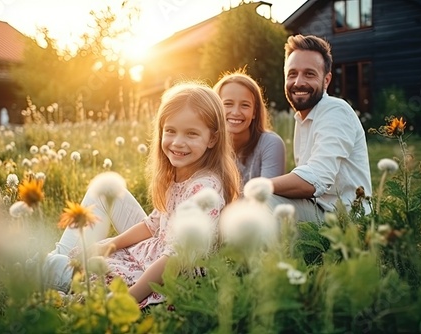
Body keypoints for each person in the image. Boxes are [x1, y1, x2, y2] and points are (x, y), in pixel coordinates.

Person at [44, 82, 241, 308]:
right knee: (86, 262)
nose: (178, 142)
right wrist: (110, 244)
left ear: (213, 139)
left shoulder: (204, 190)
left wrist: (127, 298)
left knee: (63, 273)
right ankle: (56, 273)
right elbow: (153, 224)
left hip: (167, 276)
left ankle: (51, 274)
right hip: (152, 257)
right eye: (170, 131)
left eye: (192, 134)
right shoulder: (181, 174)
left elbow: (175, 259)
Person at [267, 34, 372, 222]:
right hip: (319, 212)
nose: (298, 82)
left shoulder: (335, 111)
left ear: (326, 80)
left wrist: (258, 185)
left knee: (262, 199)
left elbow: (315, 179)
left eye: (309, 74)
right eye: (292, 74)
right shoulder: (303, 117)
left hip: (347, 223)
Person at [213, 71, 286, 188]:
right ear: (215, 108)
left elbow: (266, 196)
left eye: (245, 105)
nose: (236, 112)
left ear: (254, 112)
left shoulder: (270, 143)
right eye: (228, 104)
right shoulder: (208, 144)